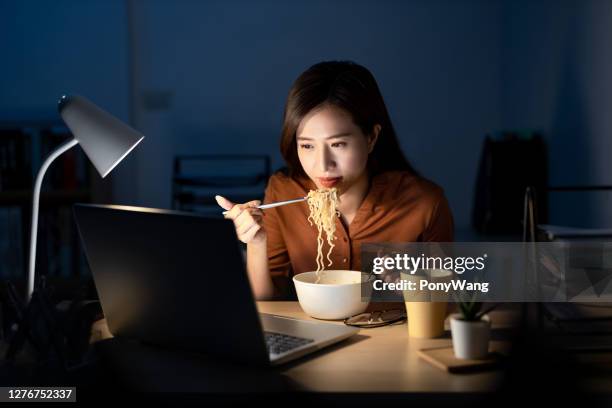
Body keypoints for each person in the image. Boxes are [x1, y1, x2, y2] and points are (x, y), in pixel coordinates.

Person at [216, 60, 453, 300]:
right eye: (307, 145)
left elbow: (454, 300)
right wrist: (256, 243)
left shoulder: (425, 202)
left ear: (371, 137)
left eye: (338, 144)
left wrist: (416, 283)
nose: (322, 165)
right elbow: (268, 301)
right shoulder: (283, 191)